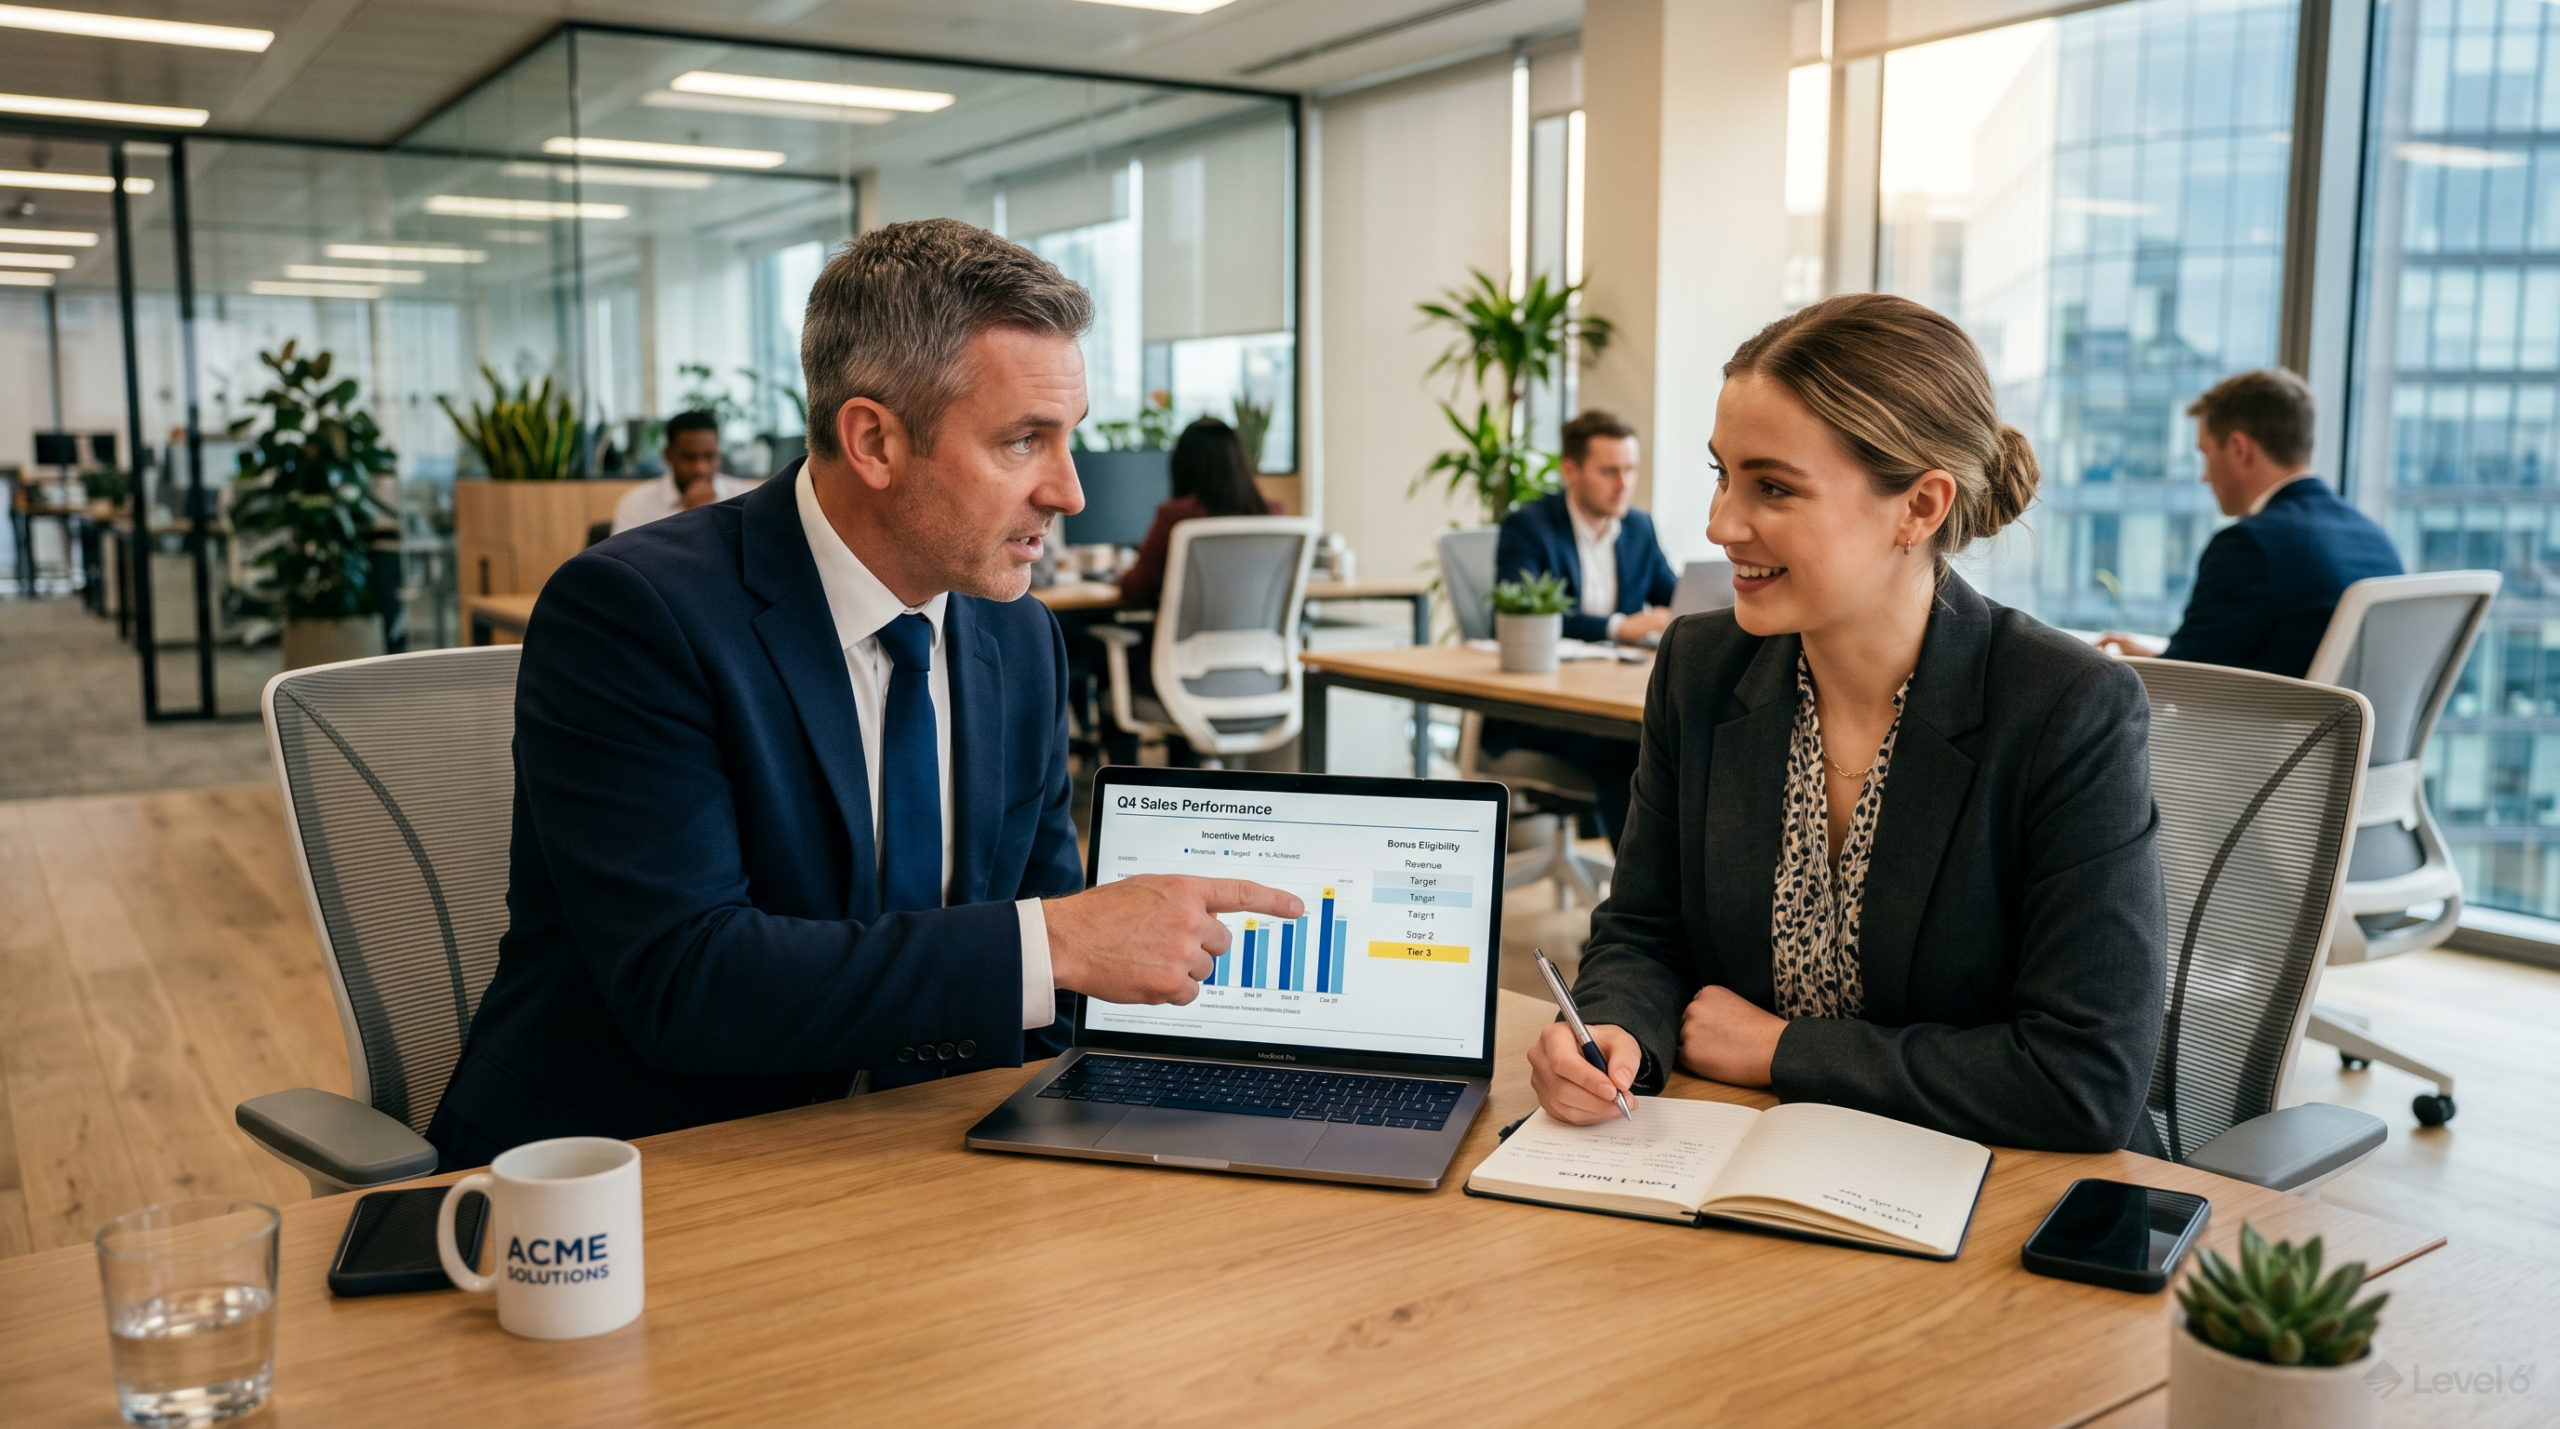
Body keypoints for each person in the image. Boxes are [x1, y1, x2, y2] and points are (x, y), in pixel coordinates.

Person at [426, 219, 1300, 1169]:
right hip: (640, 1170)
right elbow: (688, 980)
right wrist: (1055, 944)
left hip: (916, 1147)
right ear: (874, 439)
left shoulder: (1018, 635)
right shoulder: (634, 614)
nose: (1070, 492)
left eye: (1068, 439)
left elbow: (1047, 963)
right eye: (1023, 442)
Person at [1529, 292, 2169, 1155]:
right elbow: (1645, 928)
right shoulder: (1701, 668)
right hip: (1745, 1168)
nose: (1720, 524)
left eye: (1773, 487)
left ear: (1920, 507)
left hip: (1990, 1198)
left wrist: (1786, 1050)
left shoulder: (2065, 707)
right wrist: (1616, 1030)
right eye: (1723, 474)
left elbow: (2085, 1076)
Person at [2095, 368, 2401, 675]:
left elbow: (2182, 682)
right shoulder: (2375, 540)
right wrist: (2160, 658)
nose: (2203, 476)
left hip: (2270, 721)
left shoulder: (2250, 547)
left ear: (2239, 449)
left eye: (2205, 453)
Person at [1481, 410, 1678, 845]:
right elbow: (1525, 614)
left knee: (1671, 740)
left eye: (1630, 470)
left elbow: (1674, 595)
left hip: (1605, 693)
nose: (1624, 484)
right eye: (1610, 471)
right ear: (1570, 470)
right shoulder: (1529, 526)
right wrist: (1618, 627)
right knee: (1633, 748)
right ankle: (1638, 893)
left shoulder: (1638, 527)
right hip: (1539, 709)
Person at [609, 410, 758, 533]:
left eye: (709, 456)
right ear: (668, 455)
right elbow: (625, 565)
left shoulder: (745, 499)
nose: (700, 468)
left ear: (719, 454)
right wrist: (693, 518)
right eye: (689, 457)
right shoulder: (637, 504)